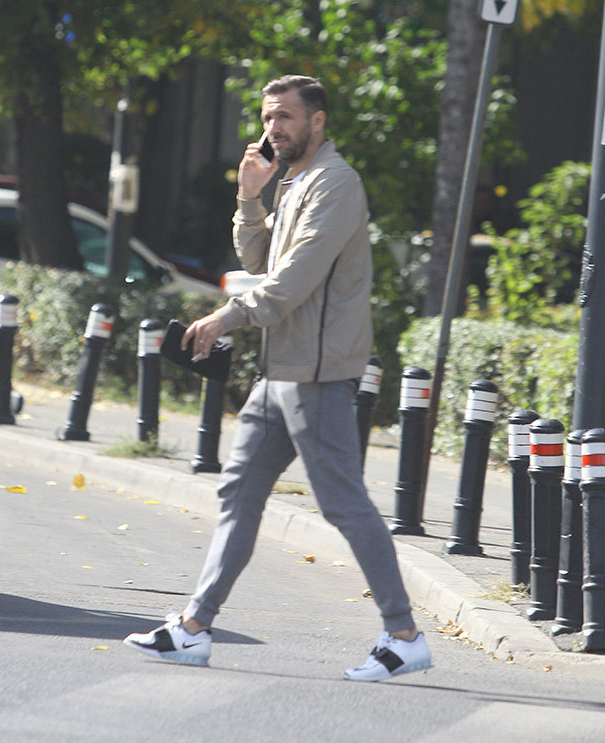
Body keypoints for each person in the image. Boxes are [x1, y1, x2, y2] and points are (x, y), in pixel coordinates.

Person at [125, 74, 431, 682]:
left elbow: (290, 282)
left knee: (344, 505)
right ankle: (193, 629)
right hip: (280, 372)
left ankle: (404, 636)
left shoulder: (336, 184)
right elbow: (260, 262)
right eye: (268, 117)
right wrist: (249, 197)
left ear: (317, 121)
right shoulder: (292, 184)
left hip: (316, 374)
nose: (273, 128)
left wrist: (227, 316)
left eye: (285, 116)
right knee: (238, 494)